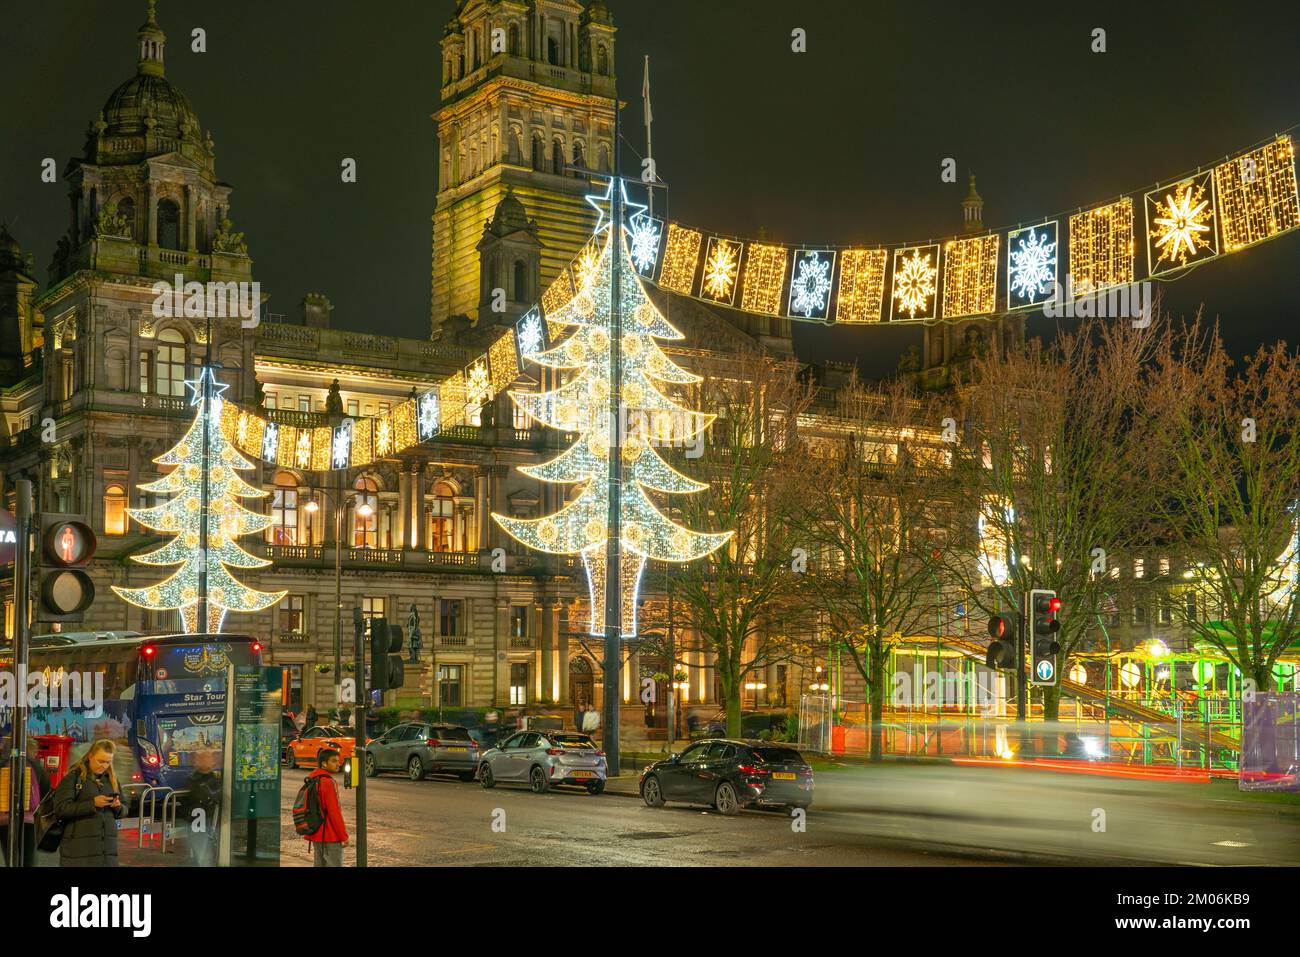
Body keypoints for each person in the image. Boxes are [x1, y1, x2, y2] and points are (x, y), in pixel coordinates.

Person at [51, 739, 123, 867]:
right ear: (90, 756)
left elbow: (124, 807)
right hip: (79, 850)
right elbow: (61, 809)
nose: (104, 766)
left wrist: (118, 807)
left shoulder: (111, 780)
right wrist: (92, 804)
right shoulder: (73, 777)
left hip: (106, 852)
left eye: (108, 762)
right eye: (101, 761)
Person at [0, 742, 52, 867]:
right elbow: (46, 792)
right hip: (29, 820)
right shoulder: (36, 766)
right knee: (28, 858)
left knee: (10, 857)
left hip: (4, 820)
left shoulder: (3, 765)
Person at [304, 748, 348, 867]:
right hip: (330, 834)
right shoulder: (328, 782)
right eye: (334, 761)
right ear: (324, 763)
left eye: (338, 761)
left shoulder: (312, 778)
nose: (338, 764)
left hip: (316, 831)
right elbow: (334, 812)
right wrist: (343, 835)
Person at [185, 749, 222, 867]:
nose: (207, 761)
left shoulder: (214, 778)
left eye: (208, 758)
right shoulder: (194, 779)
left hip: (209, 822)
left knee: (207, 855)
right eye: (202, 758)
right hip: (198, 825)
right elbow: (200, 796)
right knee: (202, 856)